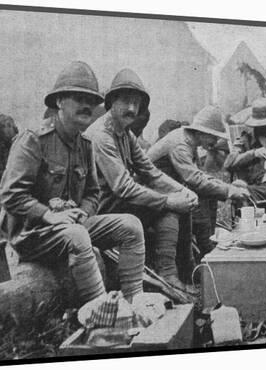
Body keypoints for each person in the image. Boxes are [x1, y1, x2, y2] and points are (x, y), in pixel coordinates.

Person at [0, 61, 147, 308]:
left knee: (131, 225)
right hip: (31, 235)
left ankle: (136, 301)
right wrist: (48, 215)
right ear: (59, 102)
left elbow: (93, 193)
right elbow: (10, 195)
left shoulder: (85, 144)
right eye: (78, 98)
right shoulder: (34, 140)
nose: (87, 105)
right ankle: (101, 312)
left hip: (69, 228)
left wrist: (84, 212)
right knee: (78, 235)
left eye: (91, 100)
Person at [85, 68, 199, 294]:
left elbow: (150, 171)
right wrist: (168, 201)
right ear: (112, 102)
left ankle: (188, 272)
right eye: (126, 102)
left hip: (118, 203)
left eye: (136, 104)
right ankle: (168, 275)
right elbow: (123, 187)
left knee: (181, 201)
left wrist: (183, 191)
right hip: (100, 209)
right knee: (170, 207)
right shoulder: (101, 135)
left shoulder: (125, 134)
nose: (132, 109)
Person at [147, 106, 250, 256]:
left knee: (208, 196)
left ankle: (206, 246)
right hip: (153, 192)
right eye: (213, 137)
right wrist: (229, 191)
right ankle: (206, 250)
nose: (215, 142)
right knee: (200, 198)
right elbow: (195, 180)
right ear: (202, 132)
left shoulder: (190, 140)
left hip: (169, 188)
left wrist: (228, 187)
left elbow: (199, 175)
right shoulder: (181, 145)